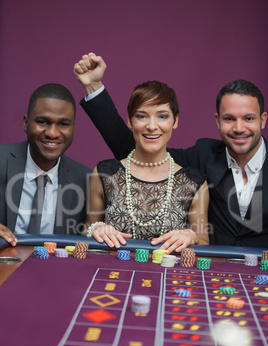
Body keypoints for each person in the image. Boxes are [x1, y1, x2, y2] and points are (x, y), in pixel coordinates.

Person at [74, 53, 268, 248]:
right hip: (217, 268)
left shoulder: (192, 177)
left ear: (263, 119)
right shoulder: (203, 155)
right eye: (229, 119)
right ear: (218, 120)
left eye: (249, 118)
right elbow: (141, 148)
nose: (239, 128)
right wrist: (93, 87)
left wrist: (192, 236)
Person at [83, 80, 209, 254]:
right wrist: (96, 230)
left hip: (168, 276)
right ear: (129, 120)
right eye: (141, 116)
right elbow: (85, 234)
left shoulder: (194, 182)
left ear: (175, 120)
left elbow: (204, 243)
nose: (151, 126)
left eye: (162, 116)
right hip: (114, 276)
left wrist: (192, 236)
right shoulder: (104, 173)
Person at [0, 83, 92, 246]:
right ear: (25, 123)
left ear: (73, 128)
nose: (52, 133)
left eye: (63, 124)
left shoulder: (87, 180)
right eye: (43, 122)